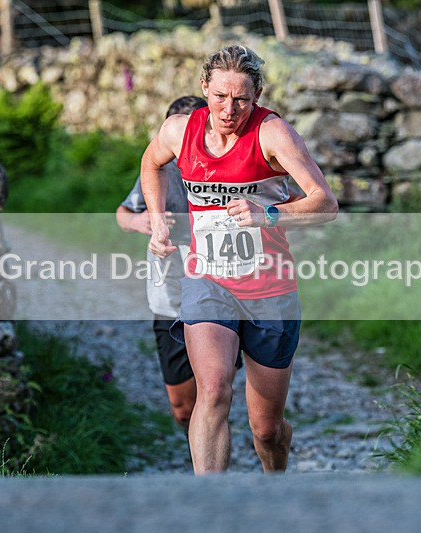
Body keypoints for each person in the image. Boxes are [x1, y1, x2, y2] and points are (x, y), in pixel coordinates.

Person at [140, 45, 338, 474]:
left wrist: (268, 214)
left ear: (257, 95)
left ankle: (275, 479)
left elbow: (325, 203)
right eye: (220, 97)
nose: (229, 110)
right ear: (204, 87)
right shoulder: (179, 130)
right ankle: (213, 502)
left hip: (270, 289)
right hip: (208, 280)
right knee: (213, 390)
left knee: (266, 430)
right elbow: (151, 163)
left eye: (242, 100)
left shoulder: (273, 134)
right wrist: (157, 222)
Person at [116, 95, 242, 434]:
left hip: (219, 292)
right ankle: (200, 440)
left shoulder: (228, 164)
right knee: (183, 409)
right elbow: (123, 213)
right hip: (169, 298)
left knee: (214, 392)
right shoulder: (160, 168)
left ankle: (211, 448)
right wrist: (142, 221)